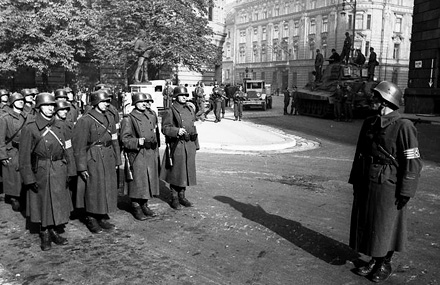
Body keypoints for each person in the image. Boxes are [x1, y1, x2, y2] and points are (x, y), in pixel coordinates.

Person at [348, 81, 422, 283]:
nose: (372, 100)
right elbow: (360, 154)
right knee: (370, 222)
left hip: (389, 183)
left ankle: (384, 263)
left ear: (385, 100)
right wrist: (355, 179)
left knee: (384, 224)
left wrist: (406, 190)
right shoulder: (370, 122)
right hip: (367, 179)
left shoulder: (403, 126)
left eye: (376, 97)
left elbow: (413, 161)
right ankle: (374, 259)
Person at [19, 93, 75, 251]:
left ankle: (54, 230)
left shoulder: (61, 125)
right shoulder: (30, 128)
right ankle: (44, 232)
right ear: (38, 107)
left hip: (59, 167)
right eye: (46, 105)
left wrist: (71, 170)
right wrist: (29, 178)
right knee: (43, 202)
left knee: (57, 200)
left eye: (52, 105)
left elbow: (68, 149)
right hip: (42, 169)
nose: (51, 108)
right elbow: (24, 157)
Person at [72, 90, 122, 234]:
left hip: (108, 155)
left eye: (108, 101)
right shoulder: (85, 120)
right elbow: (79, 146)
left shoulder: (109, 118)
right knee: (93, 188)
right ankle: (91, 217)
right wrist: (81, 167)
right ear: (95, 102)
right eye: (104, 101)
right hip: (93, 157)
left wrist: (118, 160)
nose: (107, 104)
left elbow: (114, 140)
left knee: (105, 186)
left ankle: (101, 216)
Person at [120, 93, 160, 221]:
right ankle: (136, 206)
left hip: (150, 152)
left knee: (148, 180)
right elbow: (124, 139)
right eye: (141, 102)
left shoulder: (150, 115)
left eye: (145, 102)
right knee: (138, 181)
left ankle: (145, 204)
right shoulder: (129, 119)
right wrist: (137, 142)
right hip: (137, 154)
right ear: (135, 103)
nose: (144, 104)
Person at [161, 86, 199, 210]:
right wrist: (176, 131)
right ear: (176, 97)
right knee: (176, 173)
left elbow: (193, 127)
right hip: (177, 145)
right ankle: (175, 198)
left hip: (189, 145)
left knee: (186, 172)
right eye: (182, 95)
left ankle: (182, 196)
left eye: (186, 95)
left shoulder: (189, 109)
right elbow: (165, 128)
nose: (184, 97)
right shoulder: (170, 110)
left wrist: (196, 145)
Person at [0, 92, 28, 212]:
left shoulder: (27, 116)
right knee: (13, 175)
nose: (21, 102)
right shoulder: (5, 118)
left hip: (25, 149)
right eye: (17, 100)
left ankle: (22, 195)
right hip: (12, 150)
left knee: (24, 173)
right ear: (12, 103)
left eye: (22, 100)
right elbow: (0, 139)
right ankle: (14, 197)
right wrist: (2, 156)